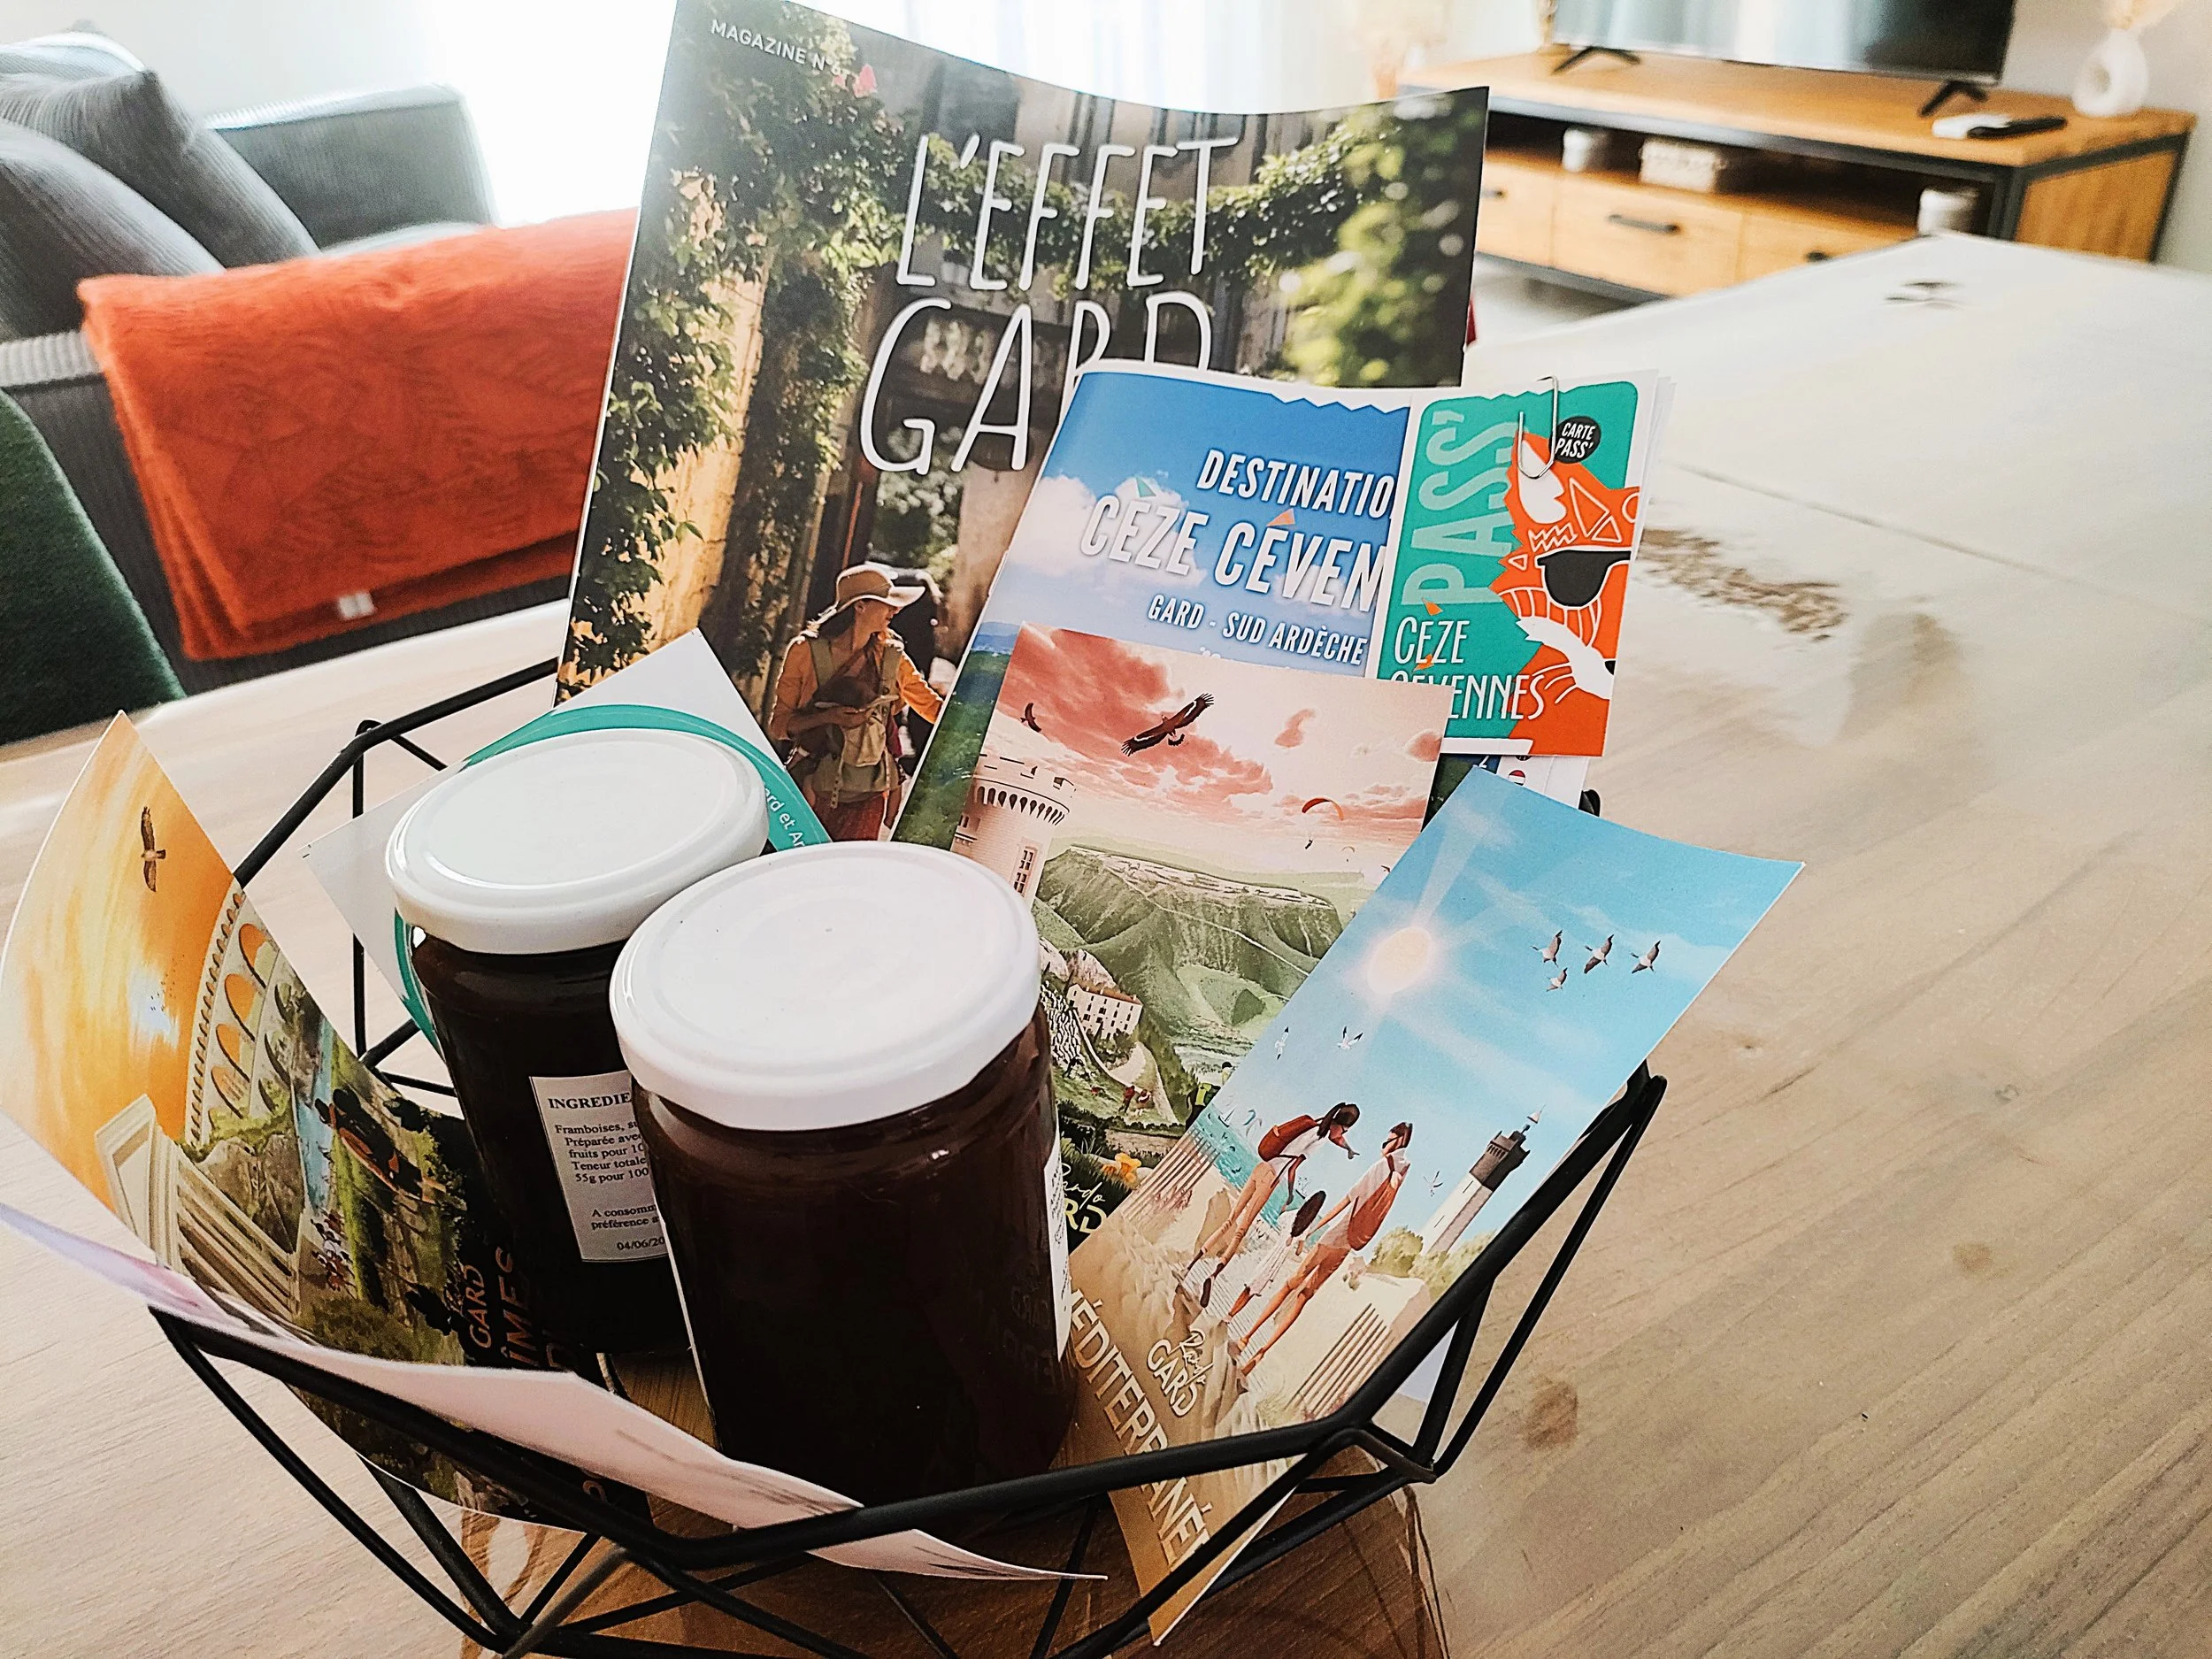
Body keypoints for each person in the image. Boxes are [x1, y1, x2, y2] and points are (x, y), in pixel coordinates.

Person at [767, 563, 945, 841]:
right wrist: (830, 717)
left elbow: (933, 709)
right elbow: (779, 726)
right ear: (859, 606)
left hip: (868, 796)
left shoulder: (892, 657)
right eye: (887, 603)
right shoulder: (804, 651)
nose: (895, 611)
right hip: (813, 791)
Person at [1233, 1120, 1414, 1377]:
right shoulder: (1401, 1172)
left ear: (1397, 1141)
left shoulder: (1379, 1168)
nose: (1383, 1145)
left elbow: (1345, 1202)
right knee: (1305, 1296)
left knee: (1291, 1285)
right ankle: (1262, 1352)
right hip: (1348, 1247)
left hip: (1334, 1237)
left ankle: (1246, 1338)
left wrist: (1312, 1229)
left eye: (1387, 1140)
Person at [1189, 1103, 1359, 1293]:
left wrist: (1348, 1149)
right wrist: (1290, 1194)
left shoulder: (1313, 1123)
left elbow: (1336, 1138)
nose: (1343, 1135)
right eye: (1345, 1130)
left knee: (1230, 1220)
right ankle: (1213, 1276)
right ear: (1341, 1126)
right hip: (1271, 1178)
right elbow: (1293, 1168)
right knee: (1241, 1231)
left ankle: (1190, 1267)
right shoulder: (1319, 1139)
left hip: (1261, 1167)